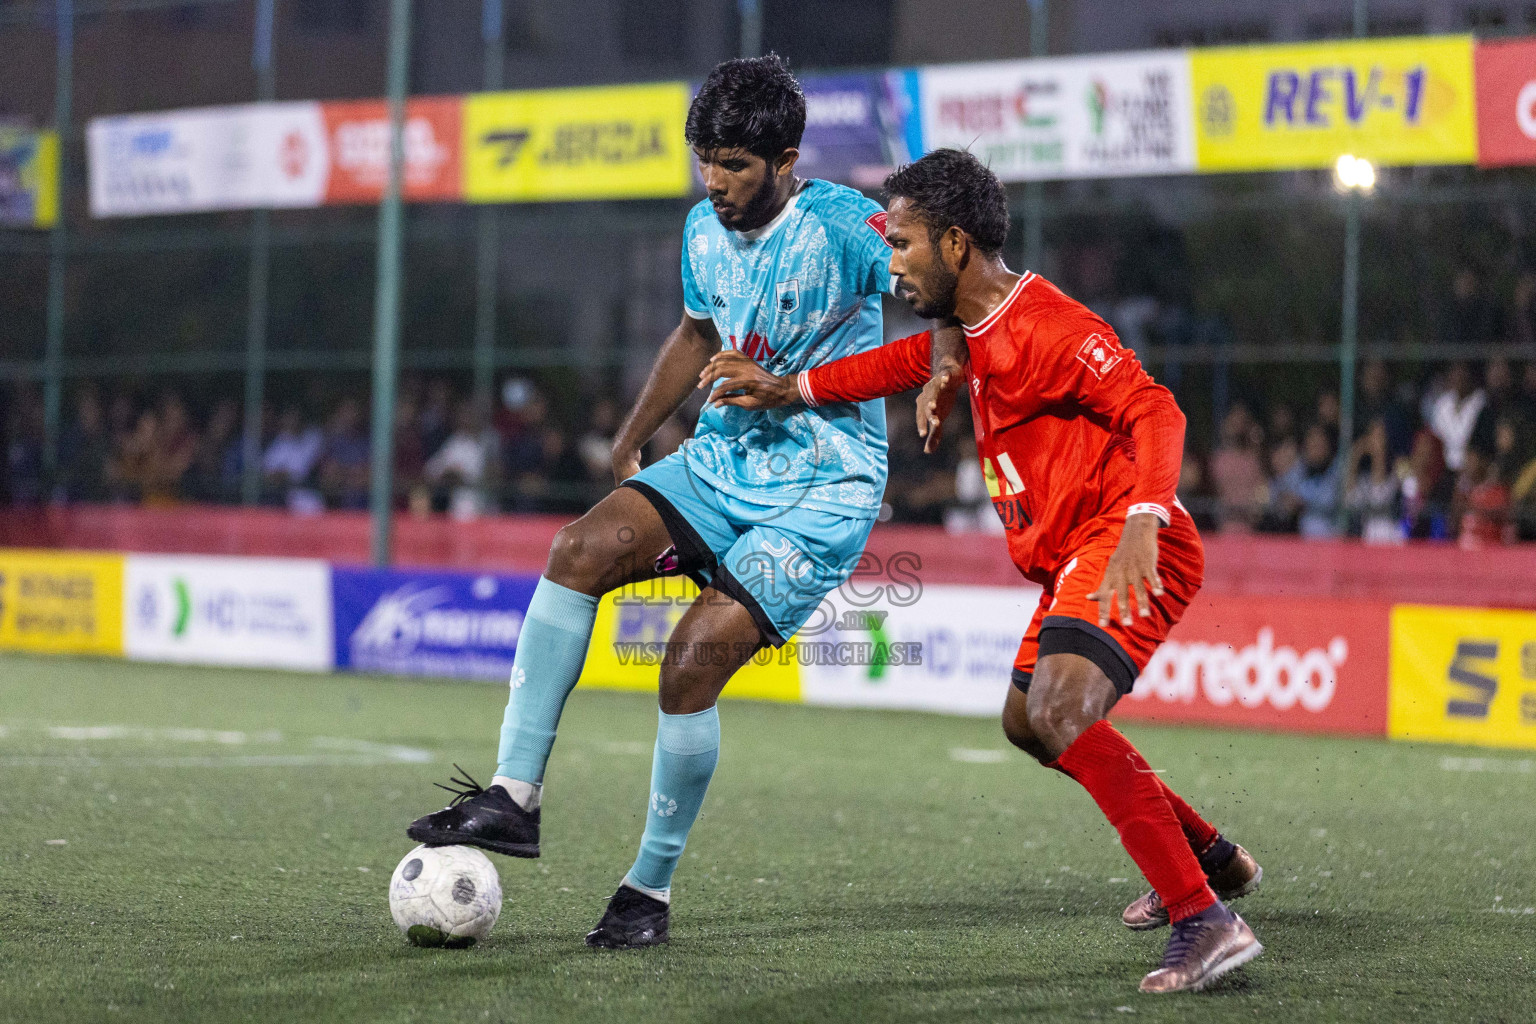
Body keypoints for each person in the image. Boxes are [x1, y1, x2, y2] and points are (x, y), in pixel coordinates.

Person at [406, 55, 957, 948]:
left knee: (687, 665)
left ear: (785, 159)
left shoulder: (848, 227)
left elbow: (939, 288)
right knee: (575, 552)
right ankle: (513, 797)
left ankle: (646, 895)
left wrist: (942, 366)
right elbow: (699, 327)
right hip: (721, 462)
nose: (717, 180)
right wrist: (633, 436)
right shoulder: (703, 227)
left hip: (821, 491)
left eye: (737, 164)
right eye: (707, 159)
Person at [698, 148, 1263, 994]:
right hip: (1079, 552)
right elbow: (902, 365)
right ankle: (1211, 857)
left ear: (955, 245)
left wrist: (1146, 515)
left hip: (1128, 539)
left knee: (1061, 707)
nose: (890, 264)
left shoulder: (1050, 326)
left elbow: (1154, 407)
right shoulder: (970, 327)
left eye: (902, 245)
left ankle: (1203, 919)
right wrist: (790, 389)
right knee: (1028, 722)